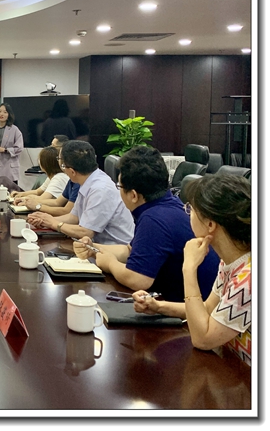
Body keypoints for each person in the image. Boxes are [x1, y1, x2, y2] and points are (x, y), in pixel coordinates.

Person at [73, 146, 219, 302]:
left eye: (120, 186)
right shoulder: (167, 204)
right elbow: (130, 251)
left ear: (133, 195)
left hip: (190, 309)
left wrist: (110, 264)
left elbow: (138, 279)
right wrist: (93, 248)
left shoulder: (154, 219)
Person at [132, 174, 251, 365]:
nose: (187, 213)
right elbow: (207, 309)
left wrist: (189, 268)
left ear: (210, 224)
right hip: (232, 367)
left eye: (191, 209)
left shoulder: (249, 279)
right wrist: (159, 307)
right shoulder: (230, 262)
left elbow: (203, 338)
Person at [30, 140, 134, 245]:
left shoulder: (100, 189)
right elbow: (74, 218)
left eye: (63, 165)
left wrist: (53, 223)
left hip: (114, 249)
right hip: (95, 246)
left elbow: (86, 232)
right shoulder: (87, 181)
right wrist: (45, 220)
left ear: (72, 171)